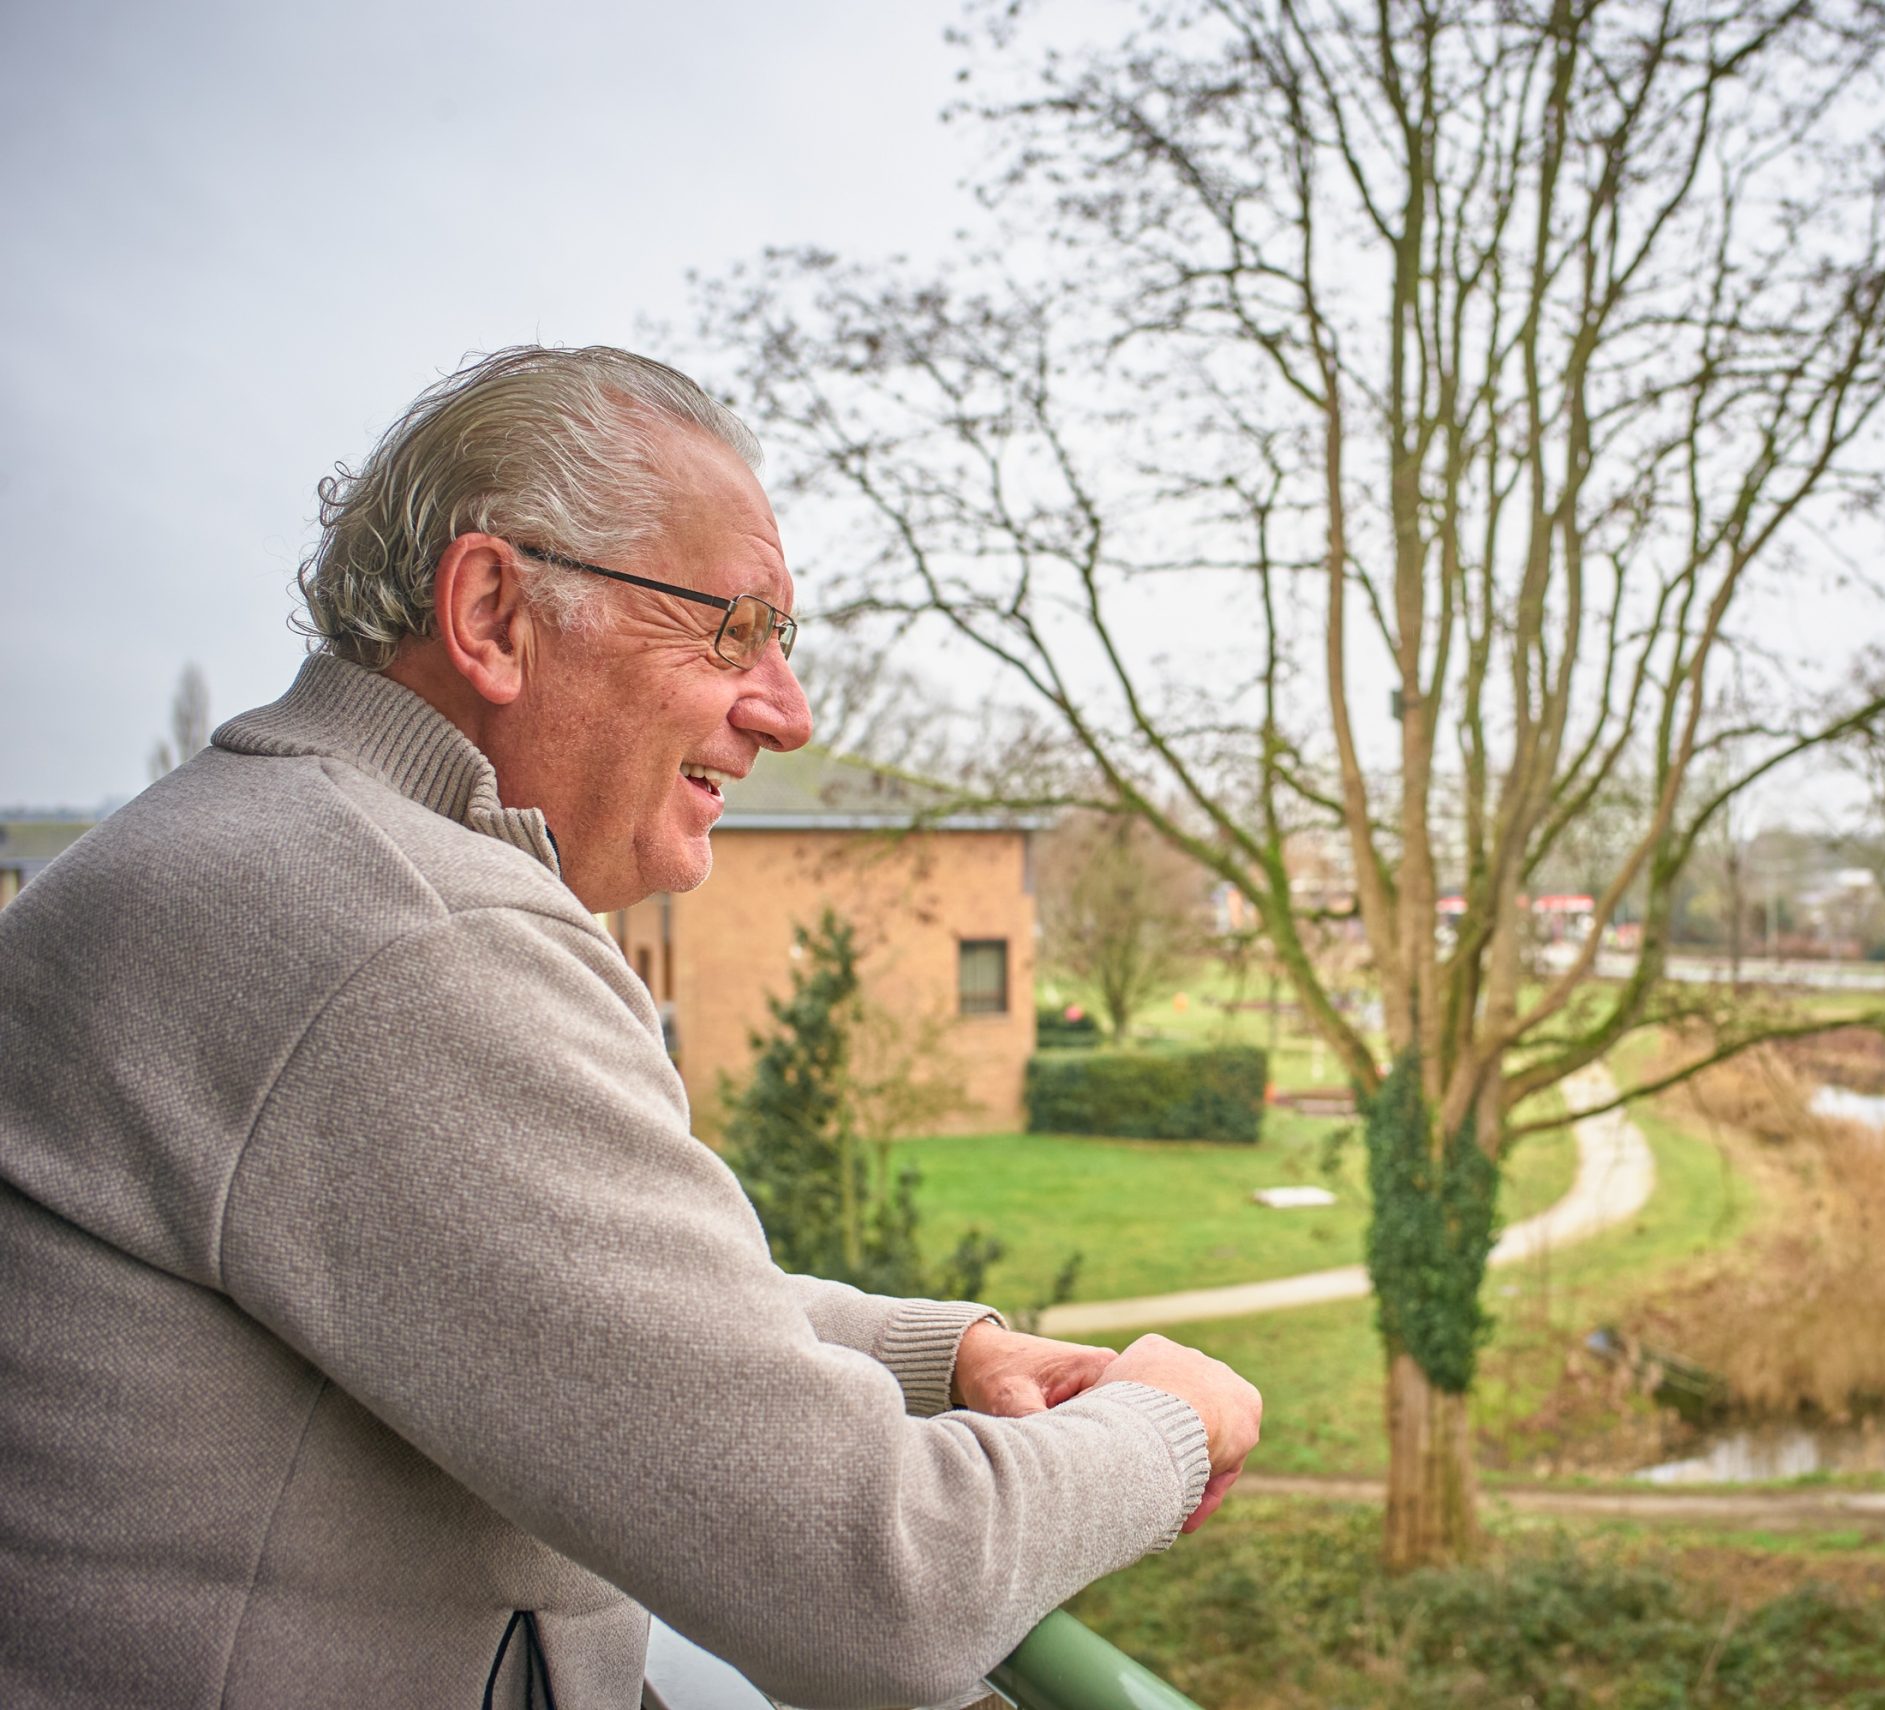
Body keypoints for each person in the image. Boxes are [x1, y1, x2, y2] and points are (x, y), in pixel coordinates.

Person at [0, 346, 1260, 1709]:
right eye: (734, 630)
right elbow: (880, 1584)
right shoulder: (405, 932)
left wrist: (935, 1355)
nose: (788, 709)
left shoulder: (284, 857)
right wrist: (1172, 1420)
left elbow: (549, 1301)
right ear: (492, 612)